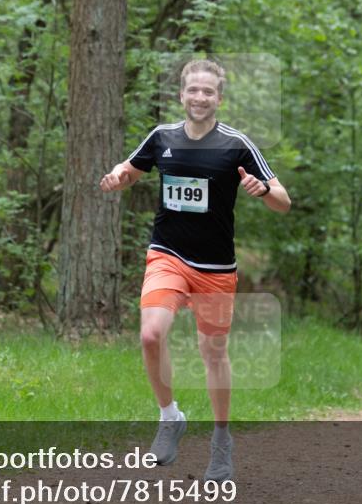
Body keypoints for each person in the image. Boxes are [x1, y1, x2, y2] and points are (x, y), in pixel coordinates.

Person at [99, 59, 290, 482]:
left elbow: (283, 199)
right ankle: (170, 416)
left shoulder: (237, 145)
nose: (200, 98)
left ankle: (221, 442)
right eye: (193, 90)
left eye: (208, 92)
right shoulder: (162, 137)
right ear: (182, 95)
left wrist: (263, 191)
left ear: (219, 98)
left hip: (216, 268)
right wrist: (117, 177)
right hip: (167, 255)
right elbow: (131, 169)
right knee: (150, 333)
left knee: (213, 353)